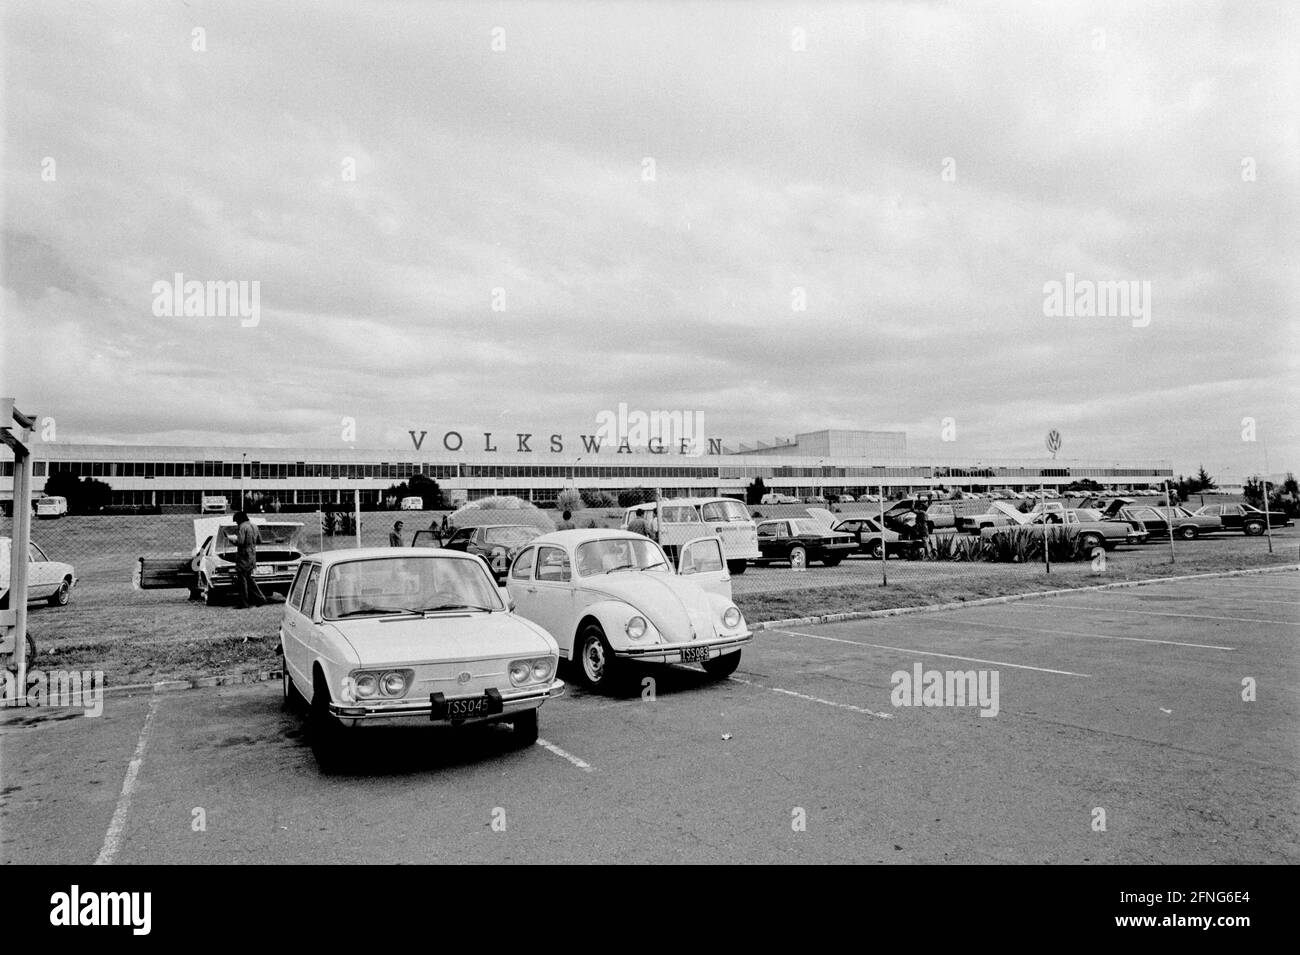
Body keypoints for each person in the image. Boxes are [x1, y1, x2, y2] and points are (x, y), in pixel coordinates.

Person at [233, 511, 266, 608]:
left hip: (243, 555)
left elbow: (240, 542)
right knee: (249, 578)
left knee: (242, 581)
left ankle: (244, 602)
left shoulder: (242, 527)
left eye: (236, 521)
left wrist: (232, 540)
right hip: (252, 555)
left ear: (239, 519)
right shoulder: (254, 526)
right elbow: (260, 540)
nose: (236, 523)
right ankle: (261, 598)